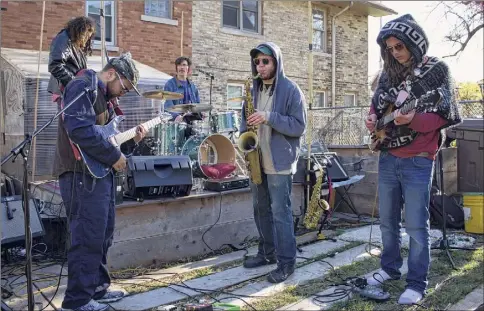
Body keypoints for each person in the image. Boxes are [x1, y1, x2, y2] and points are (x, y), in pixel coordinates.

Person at [365, 14, 461, 305]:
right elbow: (377, 104)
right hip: (388, 156)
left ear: (414, 43)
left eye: (399, 46)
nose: (395, 52)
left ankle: (417, 282)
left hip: (419, 159)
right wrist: (372, 119)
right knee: (387, 221)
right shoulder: (387, 74)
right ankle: (389, 268)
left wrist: (413, 119)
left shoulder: (437, 70)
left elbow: (445, 114)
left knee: (417, 225)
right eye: (390, 48)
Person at [54, 53, 148, 311]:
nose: (123, 94)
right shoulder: (82, 85)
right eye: (124, 87)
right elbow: (79, 130)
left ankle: (97, 288)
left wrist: (131, 142)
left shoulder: (104, 99)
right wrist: (113, 156)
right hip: (79, 174)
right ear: (111, 74)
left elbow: (105, 139)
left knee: (102, 233)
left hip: (97, 173)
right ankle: (77, 301)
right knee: (87, 236)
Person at [240, 42, 307, 283]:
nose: (260, 65)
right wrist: (244, 141)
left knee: (281, 213)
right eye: (257, 61)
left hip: (280, 162)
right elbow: (244, 120)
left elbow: (298, 126)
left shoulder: (291, 89)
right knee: (260, 210)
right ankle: (267, 253)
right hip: (257, 159)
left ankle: (287, 263)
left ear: (276, 62)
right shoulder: (253, 90)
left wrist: (269, 117)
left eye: (265, 61)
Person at [48, 16, 95, 104]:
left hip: (70, 89)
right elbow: (55, 65)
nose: (87, 39)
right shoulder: (64, 39)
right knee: (67, 116)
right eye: (86, 36)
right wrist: (74, 83)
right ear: (81, 31)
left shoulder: (74, 43)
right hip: (65, 89)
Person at [163, 56, 201, 124]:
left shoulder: (193, 86)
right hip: (177, 122)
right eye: (179, 65)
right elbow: (168, 105)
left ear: (188, 68)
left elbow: (198, 104)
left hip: (192, 122)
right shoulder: (170, 84)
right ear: (176, 68)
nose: (181, 67)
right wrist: (176, 116)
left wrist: (200, 113)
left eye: (184, 65)